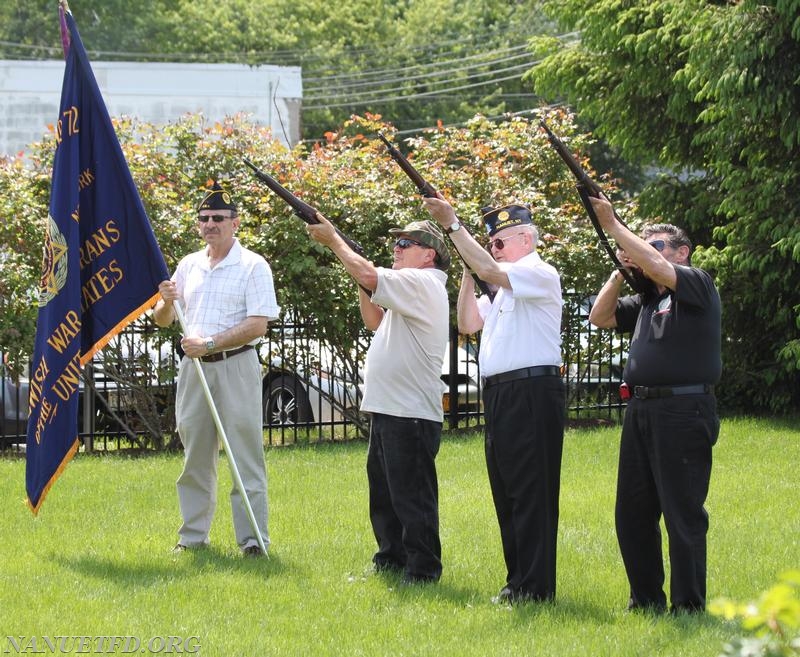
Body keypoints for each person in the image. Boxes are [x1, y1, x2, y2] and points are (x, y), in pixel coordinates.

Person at [423, 197, 565, 603]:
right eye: (490, 244)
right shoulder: (501, 285)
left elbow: (490, 269)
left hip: (532, 391)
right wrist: (471, 273)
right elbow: (467, 322)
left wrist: (453, 227)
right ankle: (516, 581)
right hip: (502, 394)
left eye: (499, 243)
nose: (493, 250)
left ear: (525, 238)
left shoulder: (538, 272)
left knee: (532, 491)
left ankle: (537, 588)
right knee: (506, 489)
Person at [587, 195, 722, 613]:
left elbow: (661, 267)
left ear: (682, 252)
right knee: (632, 512)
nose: (650, 252)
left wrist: (612, 225)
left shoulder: (696, 283)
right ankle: (645, 600)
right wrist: (619, 270)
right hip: (641, 411)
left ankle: (687, 606)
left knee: (682, 512)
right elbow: (599, 317)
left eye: (657, 245)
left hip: (683, 411)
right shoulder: (648, 299)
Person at [306, 213, 450, 584]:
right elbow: (374, 319)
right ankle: (391, 560)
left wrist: (336, 242)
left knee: (412, 497)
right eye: (396, 243)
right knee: (385, 496)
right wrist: (359, 271)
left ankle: (423, 570)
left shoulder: (423, 282)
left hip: (410, 411)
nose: (396, 249)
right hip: (390, 407)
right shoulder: (411, 286)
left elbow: (372, 277)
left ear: (429, 255)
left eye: (406, 244)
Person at [153, 180, 280, 557]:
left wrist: (209, 343)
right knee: (195, 457)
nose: (210, 224)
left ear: (235, 222)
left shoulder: (253, 266)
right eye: (204, 218)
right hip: (194, 373)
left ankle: (254, 540)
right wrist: (164, 301)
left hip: (235, 366)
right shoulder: (188, 265)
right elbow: (163, 320)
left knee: (244, 456)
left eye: (218, 218)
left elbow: (258, 324)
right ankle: (192, 538)